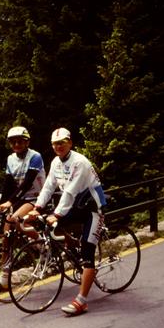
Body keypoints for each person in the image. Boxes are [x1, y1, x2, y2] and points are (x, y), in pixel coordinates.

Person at [27, 127, 106, 316]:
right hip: (77, 206)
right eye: (55, 144)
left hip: (93, 208)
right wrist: (36, 208)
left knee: (88, 253)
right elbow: (48, 187)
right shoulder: (56, 162)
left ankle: (81, 301)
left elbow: (70, 191)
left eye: (62, 143)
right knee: (52, 225)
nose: (58, 146)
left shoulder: (80, 162)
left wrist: (58, 214)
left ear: (70, 142)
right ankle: (73, 246)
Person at [0, 126, 47, 289]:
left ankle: (41, 243)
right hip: (22, 199)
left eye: (20, 141)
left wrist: (10, 202)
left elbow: (27, 182)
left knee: (14, 219)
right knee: (6, 234)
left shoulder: (35, 157)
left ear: (27, 142)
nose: (16, 144)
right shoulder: (10, 159)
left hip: (38, 197)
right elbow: (7, 183)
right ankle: (5, 277)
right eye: (13, 142)